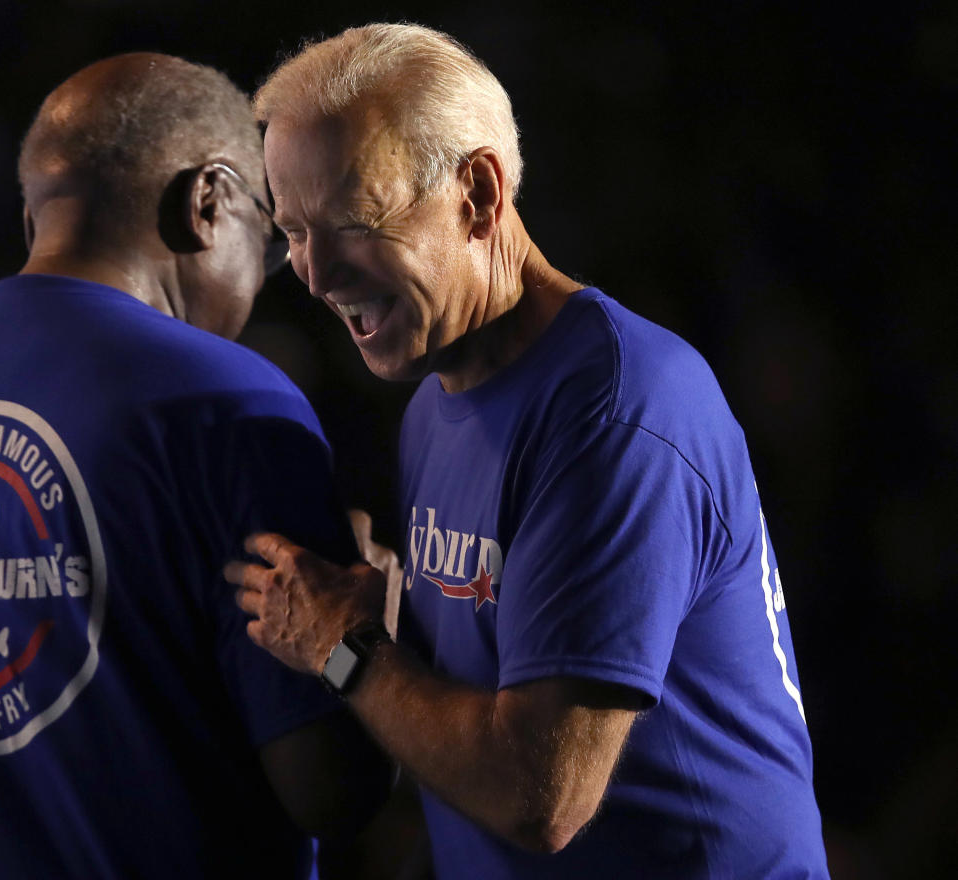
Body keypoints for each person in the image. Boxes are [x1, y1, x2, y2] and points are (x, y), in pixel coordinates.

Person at [225, 23, 830, 878]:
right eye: (292, 231)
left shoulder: (618, 411)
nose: (316, 275)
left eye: (352, 220)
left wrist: (347, 646)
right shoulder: (435, 403)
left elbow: (539, 796)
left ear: (477, 191)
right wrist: (387, 620)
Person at [0, 52, 391, 879]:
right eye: (267, 243)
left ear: (34, 222)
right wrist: (362, 637)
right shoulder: (228, 399)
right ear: (211, 200)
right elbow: (334, 793)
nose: (268, 284)